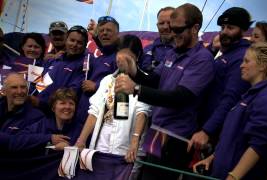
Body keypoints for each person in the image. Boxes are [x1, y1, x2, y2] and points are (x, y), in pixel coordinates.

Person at [114, 3, 214, 179]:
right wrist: (134, 71)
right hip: (157, 131)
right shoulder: (173, 53)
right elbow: (153, 80)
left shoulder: (203, 59)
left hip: (177, 138)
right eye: (171, 29)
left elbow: (179, 97)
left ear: (195, 28)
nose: (173, 34)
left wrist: (136, 89)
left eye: (178, 30)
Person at [193, 42, 267, 179]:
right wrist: (212, 158)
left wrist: (234, 176)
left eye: (247, 61)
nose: (241, 65)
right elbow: (234, 139)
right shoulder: (250, 95)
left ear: (263, 66)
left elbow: (258, 145)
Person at [75, 34, 151, 180]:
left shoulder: (146, 80)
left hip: (128, 148)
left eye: (127, 58)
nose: (122, 62)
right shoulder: (107, 80)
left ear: (137, 56)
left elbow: (143, 112)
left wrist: (134, 143)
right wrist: (81, 140)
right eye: (119, 58)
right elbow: (94, 111)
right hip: (101, 145)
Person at [189, 7, 252, 150]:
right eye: (222, 27)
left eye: (230, 27)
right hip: (202, 123)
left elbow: (231, 98)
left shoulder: (242, 57)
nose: (224, 32)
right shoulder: (226, 53)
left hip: (216, 132)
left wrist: (207, 130)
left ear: (242, 30)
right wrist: (212, 48)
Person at [32, 25, 88, 111]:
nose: (75, 44)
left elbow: (70, 96)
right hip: (33, 108)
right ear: (66, 40)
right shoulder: (54, 59)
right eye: (72, 40)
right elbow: (38, 85)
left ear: (84, 46)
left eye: (79, 42)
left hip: (50, 114)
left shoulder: (83, 66)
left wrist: (41, 103)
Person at [76, 15, 119, 126]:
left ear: (117, 34)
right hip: (79, 117)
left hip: (99, 122)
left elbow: (122, 86)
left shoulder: (119, 58)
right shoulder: (98, 58)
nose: (104, 33)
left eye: (109, 30)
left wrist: (97, 86)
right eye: (101, 30)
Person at [139, 6, 175, 72]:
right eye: (161, 23)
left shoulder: (185, 52)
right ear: (157, 26)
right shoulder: (147, 49)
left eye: (169, 23)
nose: (165, 27)